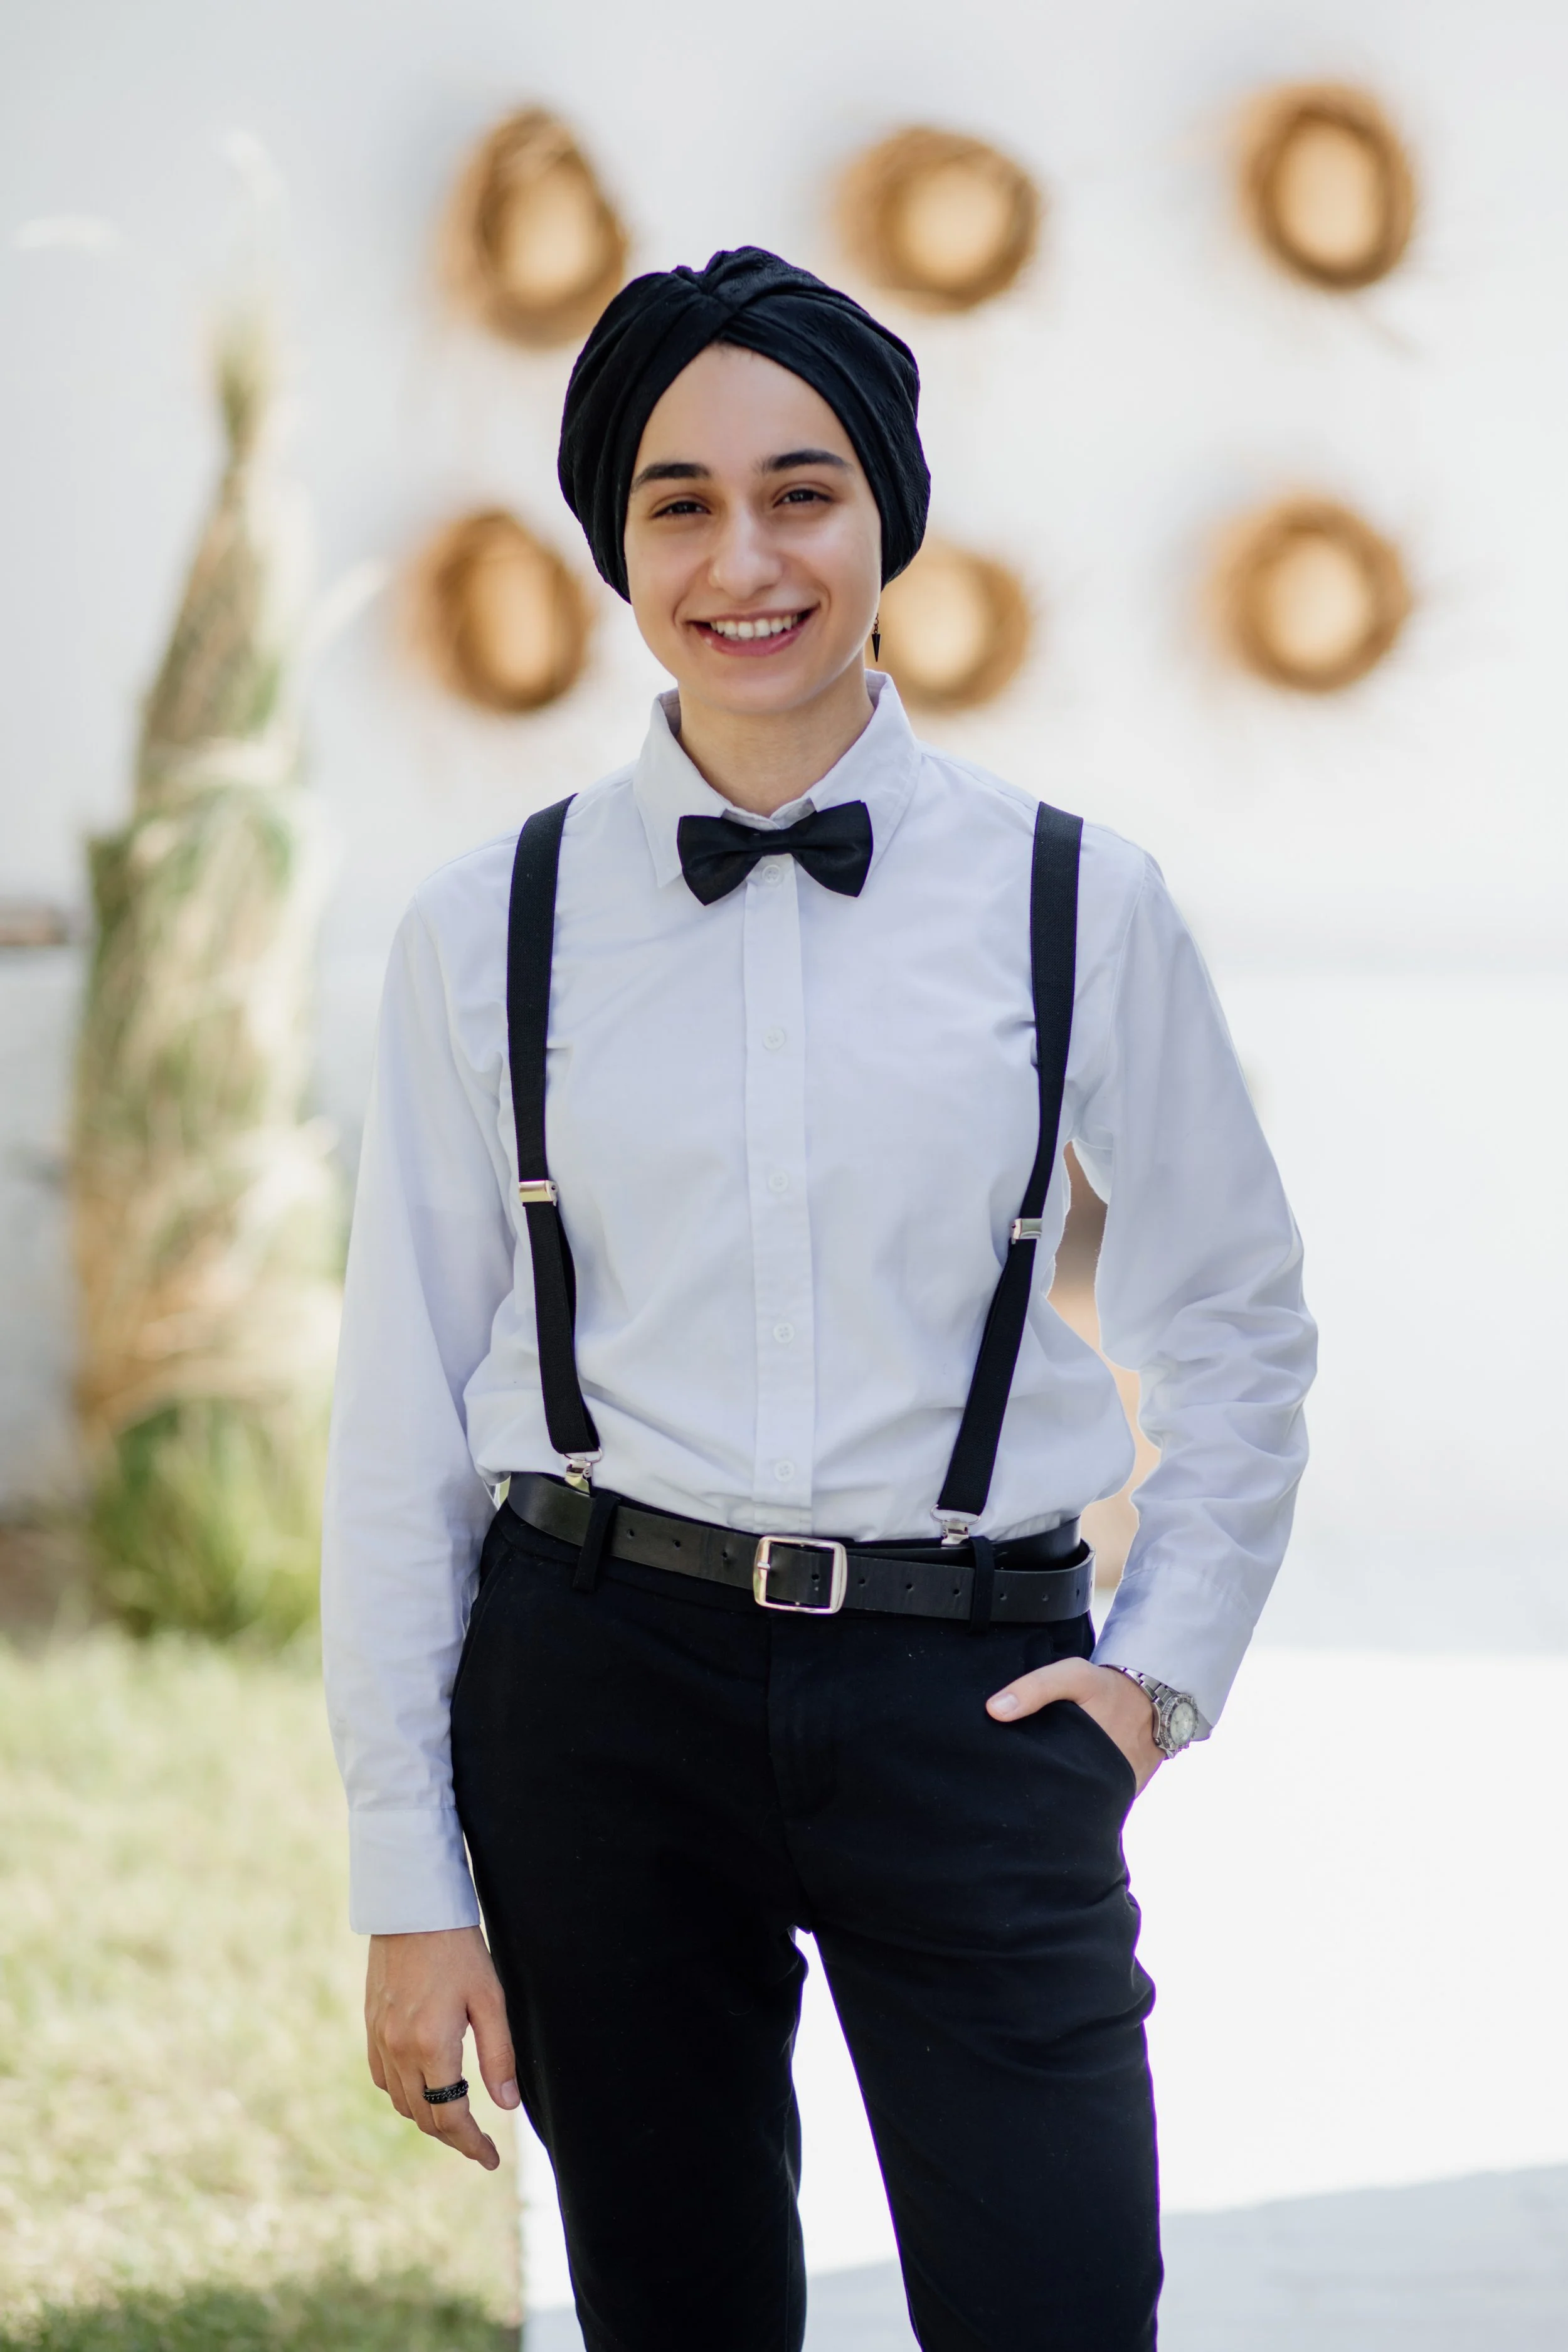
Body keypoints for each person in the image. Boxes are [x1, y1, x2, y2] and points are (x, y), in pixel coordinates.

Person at [322, 246, 1315, 2352]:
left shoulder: (1075, 902)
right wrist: (412, 1877)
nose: (744, 556)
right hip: (598, 1688)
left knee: (1055, 2303)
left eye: (803, 489)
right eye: (678, 501)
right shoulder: (486, 926)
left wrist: (1162, 1674)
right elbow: (404, 1412)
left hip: (969, 1698)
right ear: (616, 540)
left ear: (886, 517)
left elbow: (1232, 1313)